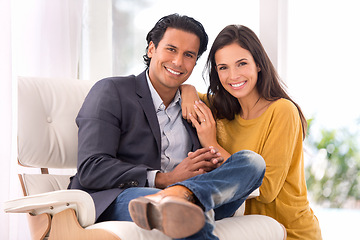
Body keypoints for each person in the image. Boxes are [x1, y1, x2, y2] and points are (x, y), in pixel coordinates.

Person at [68, 14, 266, 240]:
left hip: (191, 195)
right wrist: (164, 179)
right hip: (123, 197)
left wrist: (205, 166)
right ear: (151, 49)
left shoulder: (194, 109)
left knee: (252, 162)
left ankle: (181, 196)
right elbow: (91, 167)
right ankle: (176, 199)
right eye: (171, 49)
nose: (178, 62)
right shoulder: (112, 91)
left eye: (189, 55)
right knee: (184, 216)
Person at [181, 25, 322, 239]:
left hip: (290, 231)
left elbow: (265, 190)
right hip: (245, 229)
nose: (233, 75)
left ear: (258, 64)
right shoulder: (219, 108)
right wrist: (188, 90)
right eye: (223, 67)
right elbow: (182, 89)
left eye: (242, 64)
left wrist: (213, 145)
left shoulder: (282, 111)